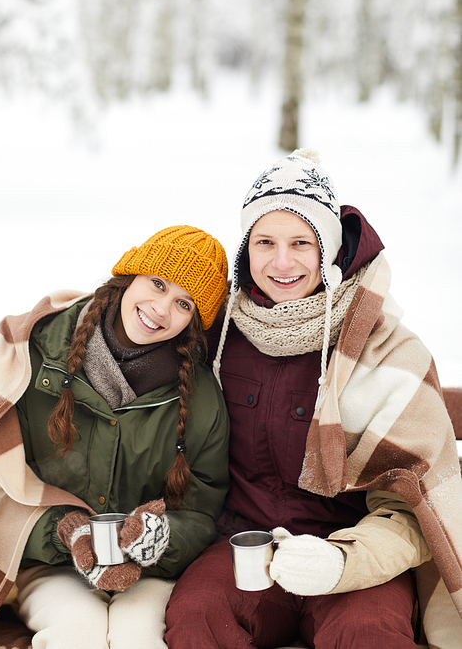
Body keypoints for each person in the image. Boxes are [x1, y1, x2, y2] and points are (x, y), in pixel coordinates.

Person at [165, 150, 462, 649]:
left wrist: (342, 560)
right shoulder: (215, 336)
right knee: (198, 618)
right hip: (244, 545)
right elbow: (130, 332)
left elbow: (416, 503)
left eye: (301, 242)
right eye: (265, 242)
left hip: (352, 551)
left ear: (327, 249)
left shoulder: (384, 347)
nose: (282, 263)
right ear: (245, 251)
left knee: (369, 635)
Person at [0, 225, 230, 649]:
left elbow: (201, 509)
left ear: (195, 321)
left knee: (137, 639)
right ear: (130, 275)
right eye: (157, 284)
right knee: (76, 634)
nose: (161, 309)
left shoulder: (201, 399)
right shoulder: (32, 355)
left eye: (183, 303)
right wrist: (64, 533)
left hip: (150, 570)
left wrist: (158, 539)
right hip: (52, 564)